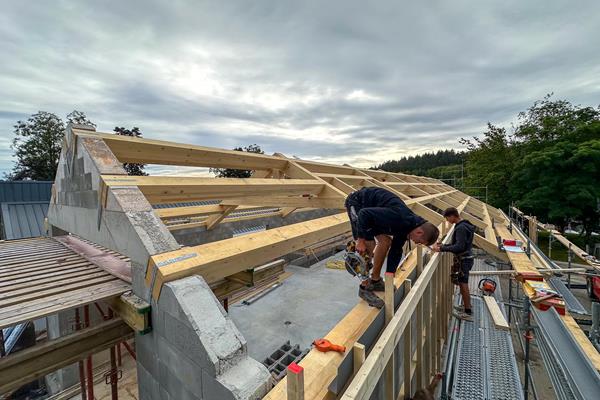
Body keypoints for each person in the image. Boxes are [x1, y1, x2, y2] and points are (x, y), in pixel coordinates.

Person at [345, 187, 440, 308]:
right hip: (358, 203)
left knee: (385, 241)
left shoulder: (407, 227)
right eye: (419, 241)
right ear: (419, 232)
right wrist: (361, 240)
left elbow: (396, 250)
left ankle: (375, 281)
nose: (416, 242)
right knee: (369, 245)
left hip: (372, 211)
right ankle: (364, 288)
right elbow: (364, 214)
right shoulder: (399, 218)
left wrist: (390, 272)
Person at [432, 207, 475, 321]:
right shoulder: (464, 224)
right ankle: (467, 305)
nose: (447, 221)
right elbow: (457, 243)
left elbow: (459, 247)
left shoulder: (460, 228)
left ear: (452, 216)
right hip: (467, 258)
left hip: (464, 259)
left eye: (447, 218)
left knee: (463, 284)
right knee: (462, 283)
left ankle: (468, 312)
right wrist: (443, 245)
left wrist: (441, 249)